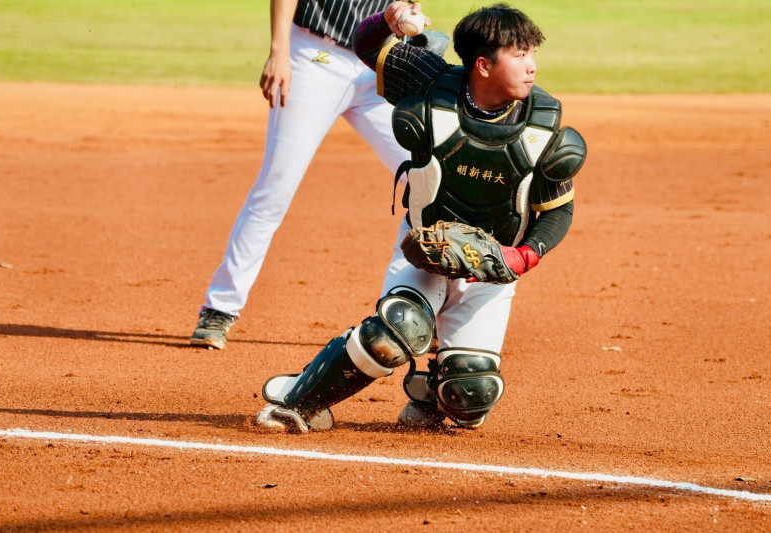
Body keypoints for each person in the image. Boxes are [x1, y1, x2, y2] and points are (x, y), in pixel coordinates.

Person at [254, 2, 586, 432]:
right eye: (519, 55)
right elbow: (366, 45)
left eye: (532, 54)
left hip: (491, 268)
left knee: (472, 394)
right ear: (482, 65)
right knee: (397, 331)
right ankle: (301, 400)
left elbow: (558, 212)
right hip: (423, 251)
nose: (532, 66)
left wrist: (524, 255)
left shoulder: (543, 126)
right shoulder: (429, 80)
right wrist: (386, 19)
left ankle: (432, 393)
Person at [191, 0, 447, 349]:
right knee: (275, 189)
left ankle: (425, 312)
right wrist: (279, 51)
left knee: (431, 183)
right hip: (314, 56)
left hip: (378, 63)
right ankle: (220, 307)